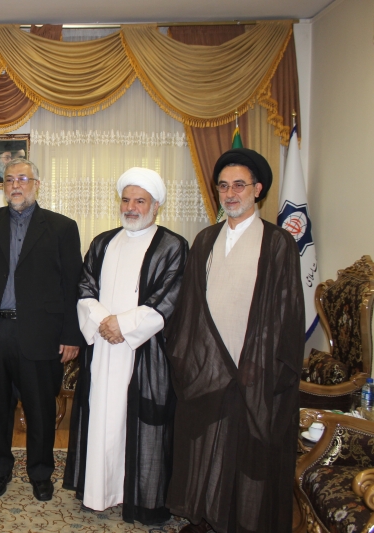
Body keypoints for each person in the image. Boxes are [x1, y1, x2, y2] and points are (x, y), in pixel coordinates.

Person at [165, 148, 305, 533]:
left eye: (239, 185)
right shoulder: (205, 240)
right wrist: (191, 360)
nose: (230, 193)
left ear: (257, 190)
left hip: (253, 370)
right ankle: (205, 520)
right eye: (224, 186)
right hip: (207, 370)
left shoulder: (277, 243)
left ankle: (241, 524)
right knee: (205, 449)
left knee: (245, 454)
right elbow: (189, 308)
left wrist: (257, 366)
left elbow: (286, 314)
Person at [0, 158, 82, 502]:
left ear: (36, 184)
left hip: (40, 334)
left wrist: (72, 335)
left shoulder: (62, 227)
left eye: (23, 179)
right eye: (9, 179)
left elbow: (73, 285)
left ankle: (40, 473)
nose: (15, 185)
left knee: (40, 409)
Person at [63, 168, 187, 524]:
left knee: (143, 423)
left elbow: (170, 296)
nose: (131, 207)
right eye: (126, 200)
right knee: (102, 419)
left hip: (144, 352)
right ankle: (99, 491)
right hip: (103, 350)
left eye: (140, 201)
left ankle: (141, 498)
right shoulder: (103, 242)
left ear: (156, 206)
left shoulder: (173, 246)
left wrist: (125, 325)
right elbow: (84, 288)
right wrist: (106, 321)